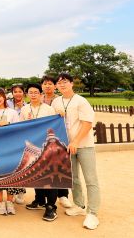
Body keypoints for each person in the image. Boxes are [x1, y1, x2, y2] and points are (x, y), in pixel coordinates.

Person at [51, 73, 100, 230]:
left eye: (65, 82)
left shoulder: (81, 101)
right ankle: (79, 205)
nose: (62, 85)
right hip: (66, 146)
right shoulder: (56, 101)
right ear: (56, 86)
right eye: (59, 83)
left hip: (84, 145)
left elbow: (87, 123)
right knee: (74, 178)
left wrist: (76, 141)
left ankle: (92, 213)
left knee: (90, 179)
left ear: (72, 84)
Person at [20, 83, 59, 221]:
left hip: (47, 147)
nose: (33, 94)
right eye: (31, 92)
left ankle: (51, 207)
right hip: (32, 147)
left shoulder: (49, 109)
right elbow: (21, 127)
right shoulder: (24, 109)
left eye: (36, 92)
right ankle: (40, 200)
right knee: (36, 175)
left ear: (41, 94)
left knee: (49, 176)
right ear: (27, 94)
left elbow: (56, 126)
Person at [0, 88, 21, 215]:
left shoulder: (12, 112)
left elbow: (19, 128)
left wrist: (8, 123)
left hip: (11, 148)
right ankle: (0, 202)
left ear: (4, 97)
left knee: (12, 175)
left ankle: (10, 202)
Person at [41, 75, 73, 208]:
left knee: (60, 163)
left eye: (50, 84)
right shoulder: (39, 98)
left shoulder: (59, 100)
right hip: (43, 136)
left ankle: (63, 194)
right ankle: (42, 196)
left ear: (55, 86)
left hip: (59, 135)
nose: (47, 86)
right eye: (45, 84)